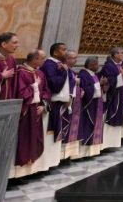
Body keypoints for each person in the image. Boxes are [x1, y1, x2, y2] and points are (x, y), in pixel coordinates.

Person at [10, 49, 49, 178]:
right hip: (25, 111)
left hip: (36, 111)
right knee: (23, 141)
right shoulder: (20, 72)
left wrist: (43, 105)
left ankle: (30, 171)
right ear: (35, 59)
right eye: (43, 58)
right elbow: (20, 93)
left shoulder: (40, 73)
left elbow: (46, 92)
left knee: (34, 140)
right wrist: (34, 86)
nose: (44, 61)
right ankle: (17, 175)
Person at [40, 42, 74, 170]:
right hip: (52, 104)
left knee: (55, 131)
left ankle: (52, 161)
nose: (66, 52)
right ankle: (44, 163)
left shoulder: (59, 65)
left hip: (60, 103)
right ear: (55, 52)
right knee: (49, 132)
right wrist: (64, 72)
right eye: (63, 50)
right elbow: (54, 85)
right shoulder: (49, 65)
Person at [73, 56, 104, 159]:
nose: (98, 66)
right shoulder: (84, 74)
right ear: (91, 65)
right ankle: (82, 153)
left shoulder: (93, 74)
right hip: (88, 106)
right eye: (96, 64)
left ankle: (90, 152)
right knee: (86, 127)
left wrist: (102, 85)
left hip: (96, 105)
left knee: (94, 126)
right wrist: (99, 85)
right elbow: (85, 89)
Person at [99, 47, 123, 149]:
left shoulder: (120, 65)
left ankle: (113, 143)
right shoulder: (109, 66)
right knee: (110, 117)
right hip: (112, 97)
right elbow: (109, 81)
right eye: (122, 53)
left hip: (119, 96)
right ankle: (105, 144)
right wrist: (121, 76)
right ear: (115, 55)